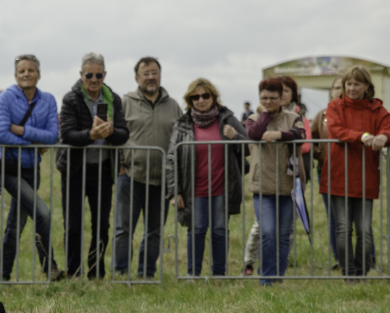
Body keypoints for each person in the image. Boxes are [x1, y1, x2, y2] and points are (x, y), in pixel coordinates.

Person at [56, 52, 129, 279]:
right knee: (74, 225)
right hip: (75, 170)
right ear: (81, 74)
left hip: (103, 170)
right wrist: (91, 134)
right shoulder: (71, 98)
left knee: (101, 225)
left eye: (98, 75)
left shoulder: (114, 99)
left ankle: (96, 271)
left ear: (104, 75)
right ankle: (74, 272)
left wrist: (111, 132)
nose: (94, 79)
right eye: (89, 75)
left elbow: (124, 134)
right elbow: (67, 134)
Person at [322, 66, 390, 279]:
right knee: (343, 228)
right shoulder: (335, 106)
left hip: (366, 174)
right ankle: (348, 272)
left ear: (367, 87)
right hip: (339, 173)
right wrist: (363, 136)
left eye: (357, 84)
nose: (352, 88)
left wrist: (384, 136)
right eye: (348, 84)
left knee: (364, 229)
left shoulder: (377, 109)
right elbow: (336, 130)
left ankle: (362, 271)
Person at [0, 54, 61, 282]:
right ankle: (49, 267)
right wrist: (33, 144)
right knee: (43, 213)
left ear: (38, 74)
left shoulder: (48, 100)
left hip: (33, 171)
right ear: (15, 75)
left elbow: (52, 136)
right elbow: (0, 134)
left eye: (31, 70)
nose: (26, 74)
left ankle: (1, 274)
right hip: (10, 169)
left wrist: (21, 132)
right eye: (22, 71)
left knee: (15, 224)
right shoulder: (5, 99)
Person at [167, 78, 247, 277]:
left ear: (213, 97)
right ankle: (193, 275)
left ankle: (219, 275)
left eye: (205, 96)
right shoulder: (183, 124)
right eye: (195, 97)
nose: (201, 100)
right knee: (197, 230)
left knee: (219, 230)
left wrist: (234, 137)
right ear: (190, 100)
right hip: (193, 189)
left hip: (222, 187)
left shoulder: (227, 118)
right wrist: (175, 190)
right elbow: (171, 158)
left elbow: (249, 146)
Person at [114, 57, 183, 279]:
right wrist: (120, 167)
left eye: (154, 72)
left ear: (160, 75)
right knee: (124, 229)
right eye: (146, 73)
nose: (151, 77)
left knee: (154, 230)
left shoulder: (173, 105)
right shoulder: (125, 103)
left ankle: (147, 273)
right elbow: (114, 138)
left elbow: (182, 139)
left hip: (162, 180)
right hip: (130, 177)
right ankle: (121, 272)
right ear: (137, 78)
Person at [243, 76, 311, 275]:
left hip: (288, 186)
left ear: (281, 98)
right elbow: (254, 134)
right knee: (268, 233)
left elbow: (300, 136)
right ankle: (266, 277)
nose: (268, 101)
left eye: (273, 97)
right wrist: (265, 115)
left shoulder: (293, 118)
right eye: (264, 98)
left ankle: (278, 277)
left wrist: (280, 135)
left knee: (282, 236)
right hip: (262, 186)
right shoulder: (253, 119)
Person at [311, 77, 343, 266]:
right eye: (336, 88)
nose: (339, 91)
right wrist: (319, 152)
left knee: (358, 217)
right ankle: (339, 258)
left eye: (342, 87)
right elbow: (312, 138)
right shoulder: (321, 115)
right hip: (326, 171)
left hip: (351, 171)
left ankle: (367, 258)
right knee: (333, 216)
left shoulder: (354, 113)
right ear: (331, 91)